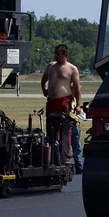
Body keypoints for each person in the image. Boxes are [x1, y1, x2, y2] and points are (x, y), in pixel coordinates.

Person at [41, 44, 83, 172]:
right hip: (52, 102)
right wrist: (45, 89)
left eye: (57, 53)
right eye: (54, 53)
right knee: (51, 130)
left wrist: (79, 105)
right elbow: (44, 79)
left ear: (64, 54)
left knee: (66, 130)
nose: (55, 56)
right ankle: (53, 155)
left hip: (64, 102)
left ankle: (66, 158)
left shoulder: (71, 69)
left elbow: (77, 88)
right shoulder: (51, 66)